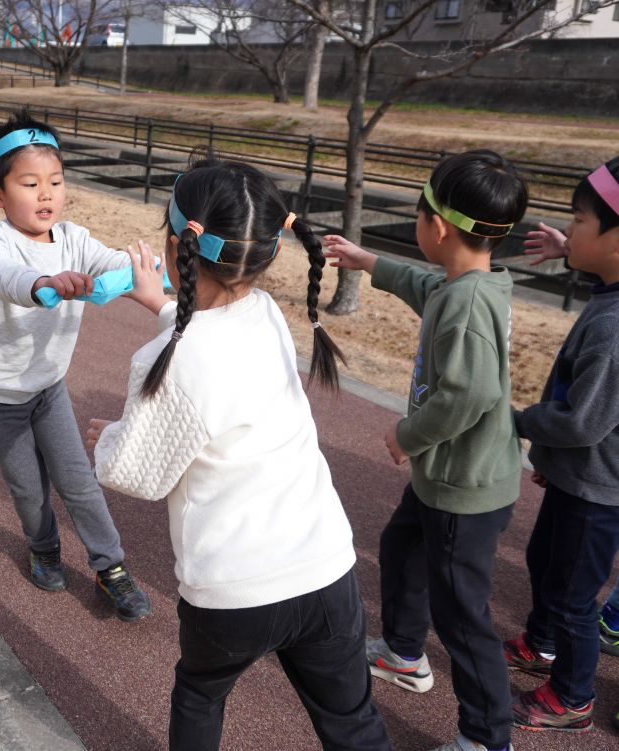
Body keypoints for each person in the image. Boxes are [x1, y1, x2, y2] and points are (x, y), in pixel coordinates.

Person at [89, 156, 391, 751]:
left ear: (178, 241)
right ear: (269, 250)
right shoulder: (268, 314)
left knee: (200, 694)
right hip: (324, 565)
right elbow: (214, 344)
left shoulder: (170, 360)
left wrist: (110, 438)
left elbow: (134, 473)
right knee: (351, 720)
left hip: (233, 589)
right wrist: (161, 305)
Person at [323, 149, 528, 751]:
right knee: (400, 547)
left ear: (435, 226)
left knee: (463, 618)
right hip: (449, 478)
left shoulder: (465, 305)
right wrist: (370, 262)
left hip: (464, 487)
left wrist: (405, 435)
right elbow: (425, 284)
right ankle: (405, 653)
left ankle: (487, 736)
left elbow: (471, 393)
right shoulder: (474, 281)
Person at [0, 108, 151, 622]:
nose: (46, 194)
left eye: (56, 181)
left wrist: (158, 269)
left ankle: (110, 568)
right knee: (28, 486)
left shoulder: (74, 239)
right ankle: (43, 547)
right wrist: (41, 285)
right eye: (29, 183)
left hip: (47, 386)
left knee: (78, 481)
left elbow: (116, 265)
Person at [501, 157, 619, 734]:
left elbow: (581, 423)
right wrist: (570, 250)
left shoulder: (614, 328)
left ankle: (573, 697)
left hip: (598, 490)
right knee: (544, 562)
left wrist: (519, 421)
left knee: (574, 595)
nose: (567, 230)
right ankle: (541, 643)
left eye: (577, 221)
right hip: (581, 476)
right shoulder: (611, 294)